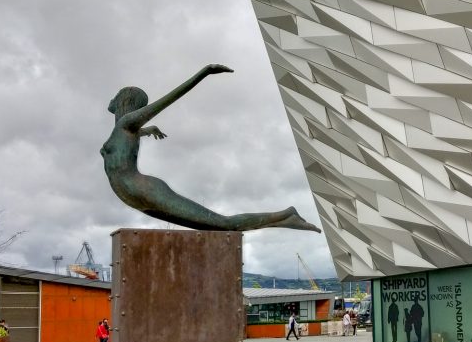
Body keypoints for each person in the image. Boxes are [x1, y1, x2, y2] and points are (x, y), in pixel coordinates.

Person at [100, 64, 321, 233]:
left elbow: (168, 100)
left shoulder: (126, 123)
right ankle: (286, 218)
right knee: (218, 228)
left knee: (223, 224)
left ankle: (284, 215)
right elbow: (134, 136)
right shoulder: (126, 129)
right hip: (135, 196)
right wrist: (151, 130)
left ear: (124, 101)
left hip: (144, 190)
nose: (110, 100)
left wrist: (203, 73)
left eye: (115, 97)